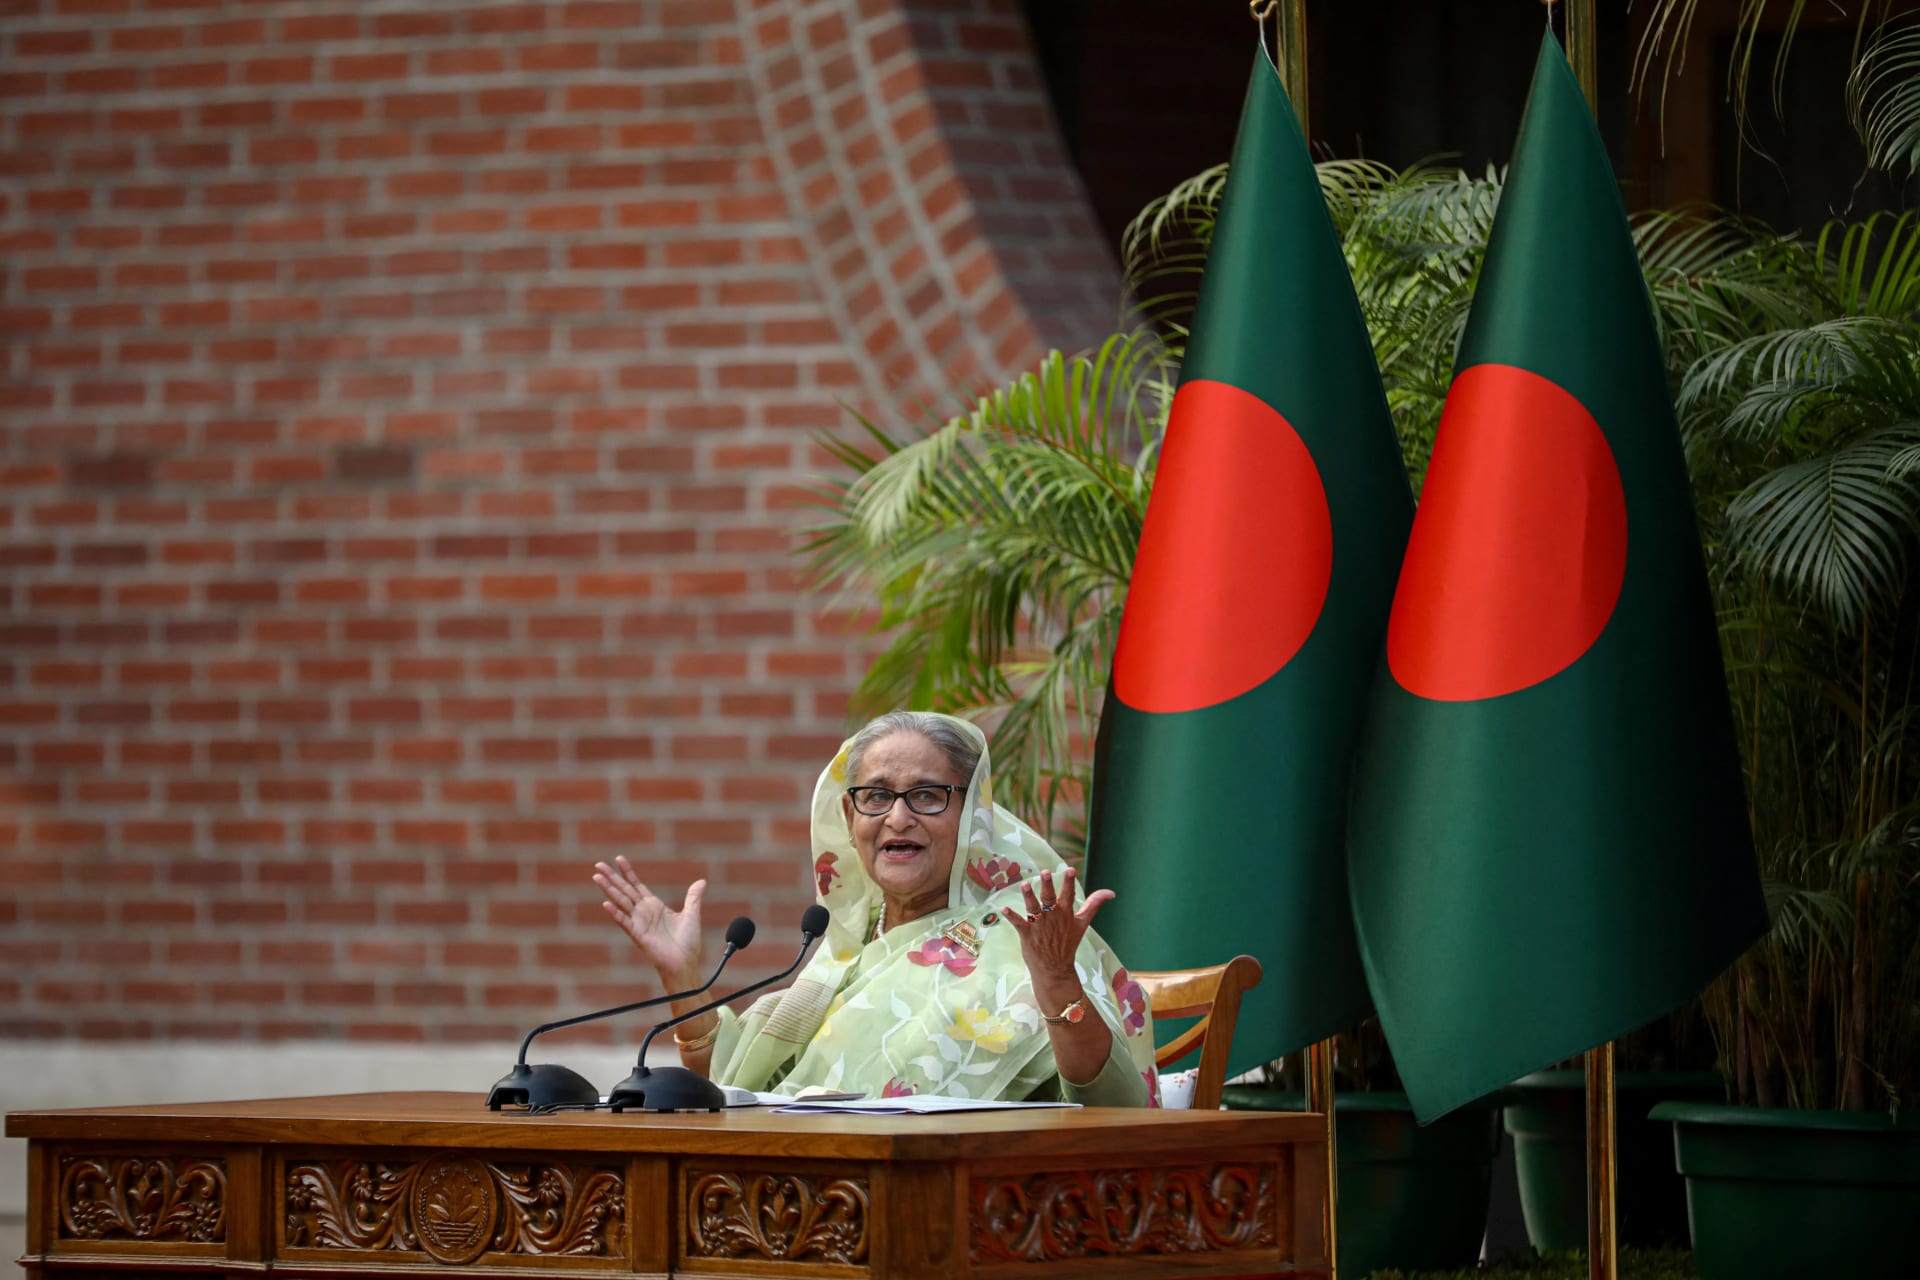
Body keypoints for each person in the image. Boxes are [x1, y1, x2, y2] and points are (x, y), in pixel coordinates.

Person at [594, 710, 1159, 1105]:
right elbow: (730, 1084)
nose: (897, 816)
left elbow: (1116, 1104)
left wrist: (1059, 980)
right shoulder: (842, 953)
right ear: (850, 818)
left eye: (927, 795)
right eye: (876, 795)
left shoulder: (1030, 929)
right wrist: (683, 976)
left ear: (974, 817)